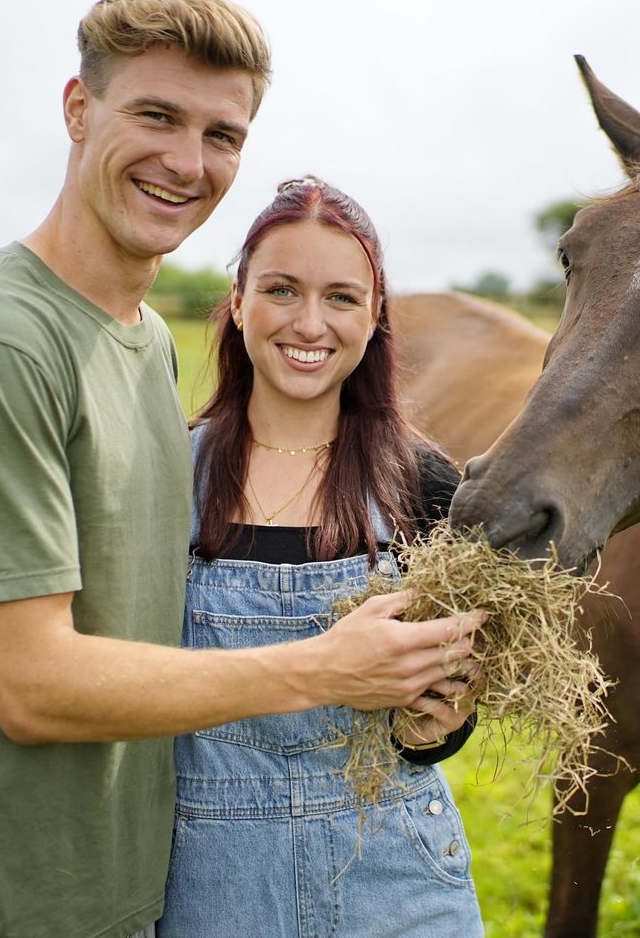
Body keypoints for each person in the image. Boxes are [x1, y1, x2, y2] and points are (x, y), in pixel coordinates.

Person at [0, 0, 483, 938]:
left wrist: (430, 711)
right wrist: (328, 667)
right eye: (156, 115)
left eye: (221, 135)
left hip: (147, 884)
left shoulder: (138, 342)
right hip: (11, 902)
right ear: (78, 109)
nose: (186, 162)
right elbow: (28, 682)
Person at [157, 176, 484, 937]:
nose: (310, 323)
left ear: (375, 317)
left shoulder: (426, 483)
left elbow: (452, 701)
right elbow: (89, 656)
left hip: (397, 877)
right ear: (237, 301)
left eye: (341, 297)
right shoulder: (164, 477)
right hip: (207, 881)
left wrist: (442, 723)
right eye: (281, 289)